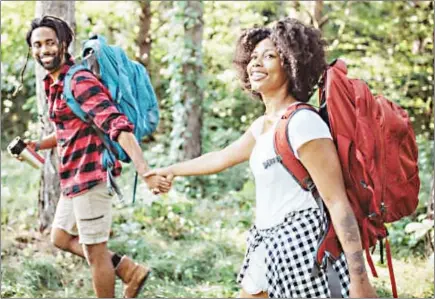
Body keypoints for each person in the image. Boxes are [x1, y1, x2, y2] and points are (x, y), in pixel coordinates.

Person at [146, 18, 378, 298]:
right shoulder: (264, 125)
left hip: (304, 247)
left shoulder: (303, 122)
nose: (256, 63)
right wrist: (171, 170)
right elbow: (220, 157)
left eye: (269, 56)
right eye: (253, 56)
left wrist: (360, 279)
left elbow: (337, 201)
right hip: (266, 241)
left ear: (292, 64)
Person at [23, 15, 171, 298]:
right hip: (73, 177)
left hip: (91, 176)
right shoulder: (53, 83)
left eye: (50, 43)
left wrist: (145, 171)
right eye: (38, 45)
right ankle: (129, 270)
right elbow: (70, 129)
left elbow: (116, 124)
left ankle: (125, 272)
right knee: (60, 237)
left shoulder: (78, 80)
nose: (44, 50)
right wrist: (39, 144)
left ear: (64, 44)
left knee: (96, 254)